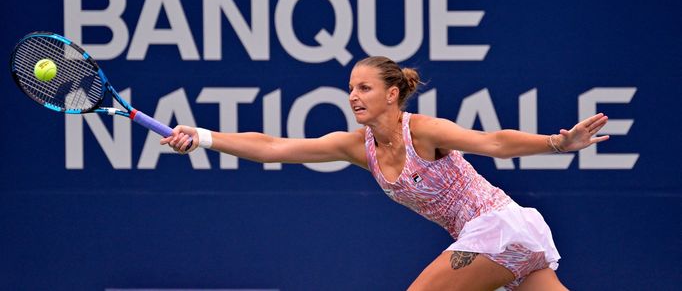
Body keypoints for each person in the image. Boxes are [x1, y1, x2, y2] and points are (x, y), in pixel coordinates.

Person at [161, 56, 609, 290]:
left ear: (392, 94)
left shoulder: (425, 131)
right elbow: (275, 147)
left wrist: (557, 143)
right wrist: (204, 136)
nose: (353, 96)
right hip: (508, 241)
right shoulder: (358, 147)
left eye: (364, 88)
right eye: (350, 89)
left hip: (497, 228)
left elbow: (492, 142)